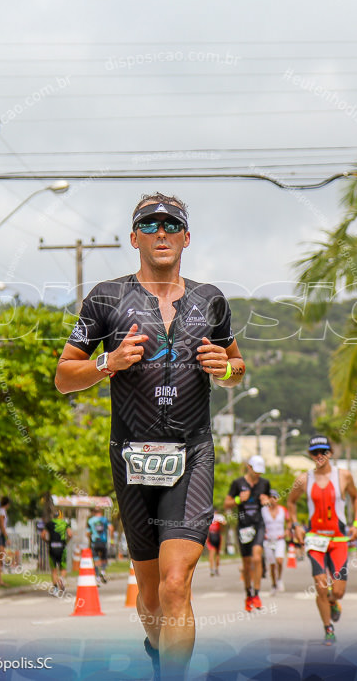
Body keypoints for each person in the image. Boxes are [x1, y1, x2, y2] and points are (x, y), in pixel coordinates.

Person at [55, 192, 245, 680]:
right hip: (130, 455)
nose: (161, 233)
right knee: (150, 593)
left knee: (176, 583)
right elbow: (63, 375)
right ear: (134, 237)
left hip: (193, 452)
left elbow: (238, 364)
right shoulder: (106, 297)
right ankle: (159, 651)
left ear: (186, 237)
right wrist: (107, 362)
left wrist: (227, 368)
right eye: (150, 225)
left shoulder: (210, 299)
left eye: (171, 225)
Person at [286, 435, 357, 646]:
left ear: (330, 453)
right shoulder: (303, 479)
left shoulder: (344, 476)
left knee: (337, 590)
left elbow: (356, 498)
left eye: (324, 452)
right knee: (320, 586)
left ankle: (334, 602)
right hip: (315, 539)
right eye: (315, 452)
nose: (319, 456)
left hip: (339, 539)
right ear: (310, 455)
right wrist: (296, 525)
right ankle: (328, 628)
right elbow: (291, 503)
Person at [224, 455, 271, 612]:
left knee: (257, 557)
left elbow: (272, 499)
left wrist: (268, 500)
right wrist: (238, 499)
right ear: (249, 468)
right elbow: (227, 504)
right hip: (243, 526)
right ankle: (248, 594)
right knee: (246, 563)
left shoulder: (264, 483)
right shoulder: (238, 483)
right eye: (256, 471)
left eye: (260, 472)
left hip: (258, 524)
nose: (258, 474)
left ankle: (257, 594)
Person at [261, 490, 288, 594]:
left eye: (274, 497)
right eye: (270, 497)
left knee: (279, 560)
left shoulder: (283, 510)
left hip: (280, 539)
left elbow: (289, 522)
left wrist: (287, 531)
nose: (272, 500)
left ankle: (279, 579)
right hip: (268, 540)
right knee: (272, 564)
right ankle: (274, 584)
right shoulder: (263, 510)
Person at [43, 511, 72, 597]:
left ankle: (55, 588)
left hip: (52, 547)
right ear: (61, 516)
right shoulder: (65, 523)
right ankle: (61, 579)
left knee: (54, 569)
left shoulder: (49, 524)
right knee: (63, 567)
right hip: (62, 548)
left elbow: (43, 535)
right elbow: (70, 534)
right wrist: (66, 541)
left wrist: (47, 541)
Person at [87, 507, 111, 584]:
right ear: (101, 512)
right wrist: (112, 538)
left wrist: (90, 538)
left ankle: (97, 577)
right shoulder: (105, 519)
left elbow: (88, 533)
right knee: (104, 558)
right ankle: (103, 571)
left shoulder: (90, 521)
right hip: (103, 542)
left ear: (94, 512)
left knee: (96, 559)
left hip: (95, 542)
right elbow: (111, 528)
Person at [205, 511, 225, 577]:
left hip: (212, 535)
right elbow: (223, 528)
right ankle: (216, 569)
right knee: (217, 554)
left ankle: (212, 570)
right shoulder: (220, 517)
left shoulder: (208, 516)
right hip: (217, 535)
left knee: (212, 554)